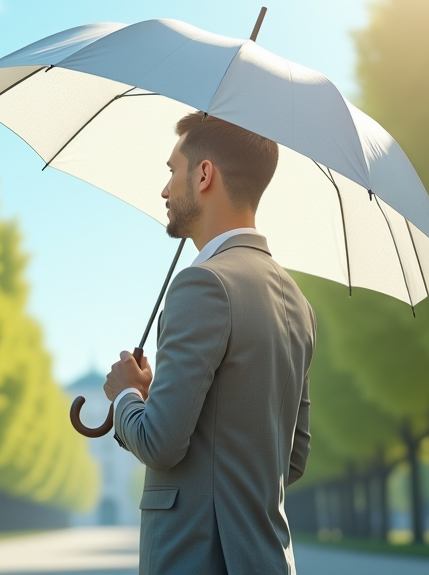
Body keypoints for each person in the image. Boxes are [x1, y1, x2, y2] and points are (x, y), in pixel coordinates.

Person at [103, 111, 316, 575]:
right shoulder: (298, 302)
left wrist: (127, 396)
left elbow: (159, 444)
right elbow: (292, 458)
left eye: (171, 171)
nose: (164, 190)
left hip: (196, 559)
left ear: (203, 175)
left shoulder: (202, 285)